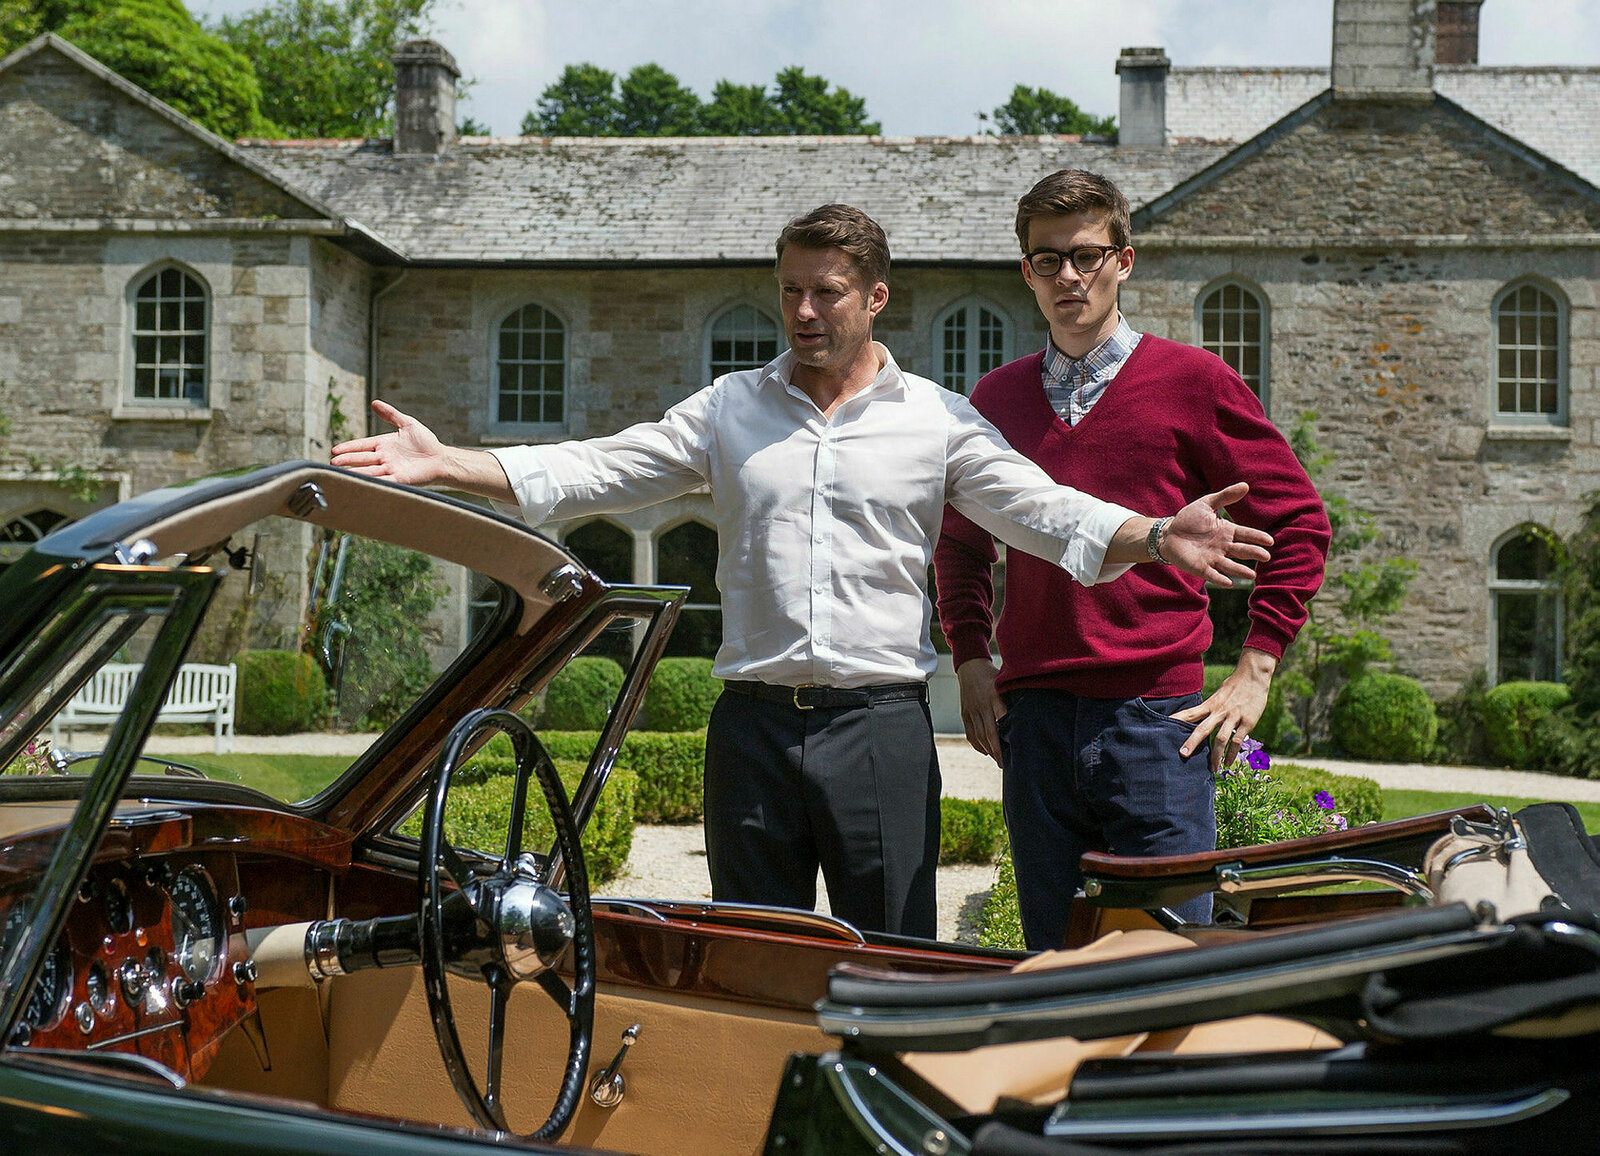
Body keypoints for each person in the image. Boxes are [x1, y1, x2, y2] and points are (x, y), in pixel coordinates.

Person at [332, 203, 1272, 940]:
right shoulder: (729, 409)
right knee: (753, 958)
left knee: (892, 963)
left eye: (826, 292)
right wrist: (450, 462)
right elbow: (601, 466)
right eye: (790, 292)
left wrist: (1157, 535)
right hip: (750, 732)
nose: (804, 312)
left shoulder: (938, 419)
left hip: (880, 730)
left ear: (875, 298)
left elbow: (1043, 510)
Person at [934, 171, 1330, 949]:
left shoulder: (1194, 382)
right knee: (1054, 967)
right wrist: (971, 662)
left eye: (1087, 255)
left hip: (1157, 724)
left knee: (1167, 964)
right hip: (1034, 723)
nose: (1069, 276)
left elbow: (1301, 521)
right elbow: (960, 543)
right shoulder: (996, 400)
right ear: (1026, 272)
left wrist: (1256, 669)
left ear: (1124, 261)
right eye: (1048, 260)